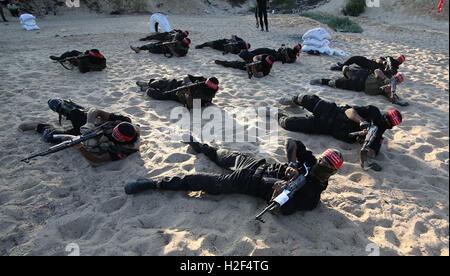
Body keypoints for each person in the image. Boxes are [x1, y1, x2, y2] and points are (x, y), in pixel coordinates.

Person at [124, 136, 343, 215]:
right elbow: (291, 142)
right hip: (253, 163)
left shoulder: (311, 196)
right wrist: (292, 165)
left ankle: (153, 184)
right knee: (219, 155)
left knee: (195, 181)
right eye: (323, 158)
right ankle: (199, 145)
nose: (321, 163)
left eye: (327, 164)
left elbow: (280, 210)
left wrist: (278, 191)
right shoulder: (309, 162)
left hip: (245, 183)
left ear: (332, 172)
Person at [278, 94, 403, 171]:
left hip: (325, 128)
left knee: (288, 124)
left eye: (388, 122)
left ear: (390, 127)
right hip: (331, 111)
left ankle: (278, 115)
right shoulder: (373, 112)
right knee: (304, 98)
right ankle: (292, 101)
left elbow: (371, 153)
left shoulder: (377, 137)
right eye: (386, 117)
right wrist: (361, 122)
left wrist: (363, 140)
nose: (384, 120)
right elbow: (349, 111)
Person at [19, 99, 140, 166]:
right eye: (114, 132)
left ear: (124, 140)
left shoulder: (126, 148)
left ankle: (41, 126)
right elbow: (96, 111)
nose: (114, 135)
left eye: (117, 136)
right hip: (91, 128)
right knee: (73, 111)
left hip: (86, 138)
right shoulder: (124, 121)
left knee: (50, 137)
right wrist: (89, 124)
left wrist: (79, 147)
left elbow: (96, 160)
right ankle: (64, 106)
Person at [310, 66, 408, 106]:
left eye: (397, 81)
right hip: (362, 76)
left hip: (359, 86)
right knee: (347, 70)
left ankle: (321, 81)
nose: (394, 81)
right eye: (395, 79)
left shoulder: (390, 88)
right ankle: (345, 69)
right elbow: (377, 71)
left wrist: (394, 97)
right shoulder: (386, 77)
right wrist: (384, 79)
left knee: (336, 83)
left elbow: (392, 97)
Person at [136, 75, 220, 109]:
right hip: (177, 84)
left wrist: (188, 94)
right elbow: (187, 77)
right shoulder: (202, 80)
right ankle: (148, 84)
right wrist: (189, 83)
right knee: (161, 83)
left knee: (157, 94)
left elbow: (191, 106)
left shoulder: (206, 99)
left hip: (176, 95)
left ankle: (147, 88)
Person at [330, 54, 405, 78]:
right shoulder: (389, 58)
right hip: (369, 62)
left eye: (399, 60)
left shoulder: (394, 69)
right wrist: (383, 62)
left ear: (400, 63)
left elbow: (388, 74)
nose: (397, 60)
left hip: (371, 71)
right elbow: (378, 59)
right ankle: (341, 66)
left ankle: (343, 67)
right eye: (398, 58)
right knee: (355, 58)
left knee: (353, 70)